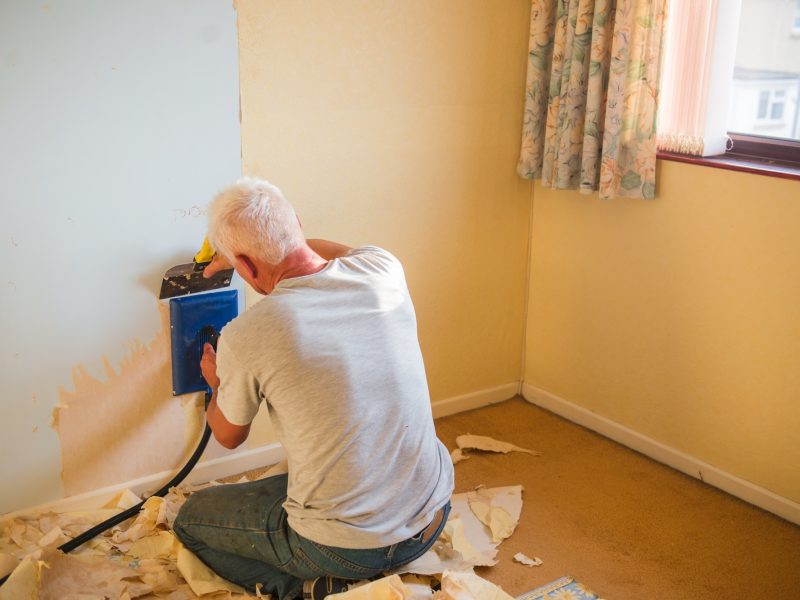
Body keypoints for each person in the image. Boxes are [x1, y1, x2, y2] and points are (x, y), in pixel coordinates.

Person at [172, 177, 454, 600]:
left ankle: (307, 590)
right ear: (298, 225)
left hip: (346, 550)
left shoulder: (250, 333)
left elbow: (229, 437)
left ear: (245, 267)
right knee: (292, 484)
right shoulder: (382, 268)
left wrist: (216, 385)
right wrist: (261, 248)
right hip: (432, 517)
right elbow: (327, 251)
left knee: (190, 520)